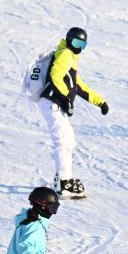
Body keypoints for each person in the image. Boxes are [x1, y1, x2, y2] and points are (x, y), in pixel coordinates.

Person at [39, 26, 109, 199]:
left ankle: (65, 179)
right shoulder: (65, 54)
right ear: (69, 40)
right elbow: (56, 75)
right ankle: (63, 183)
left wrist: (99, 101)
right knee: (62, 140)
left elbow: (79, 86)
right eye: (76, 43)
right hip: (52, 101)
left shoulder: (70, 58)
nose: (78, 47)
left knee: (68, 140)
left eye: (82, 45)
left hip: (56, 103)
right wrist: (66, 98)